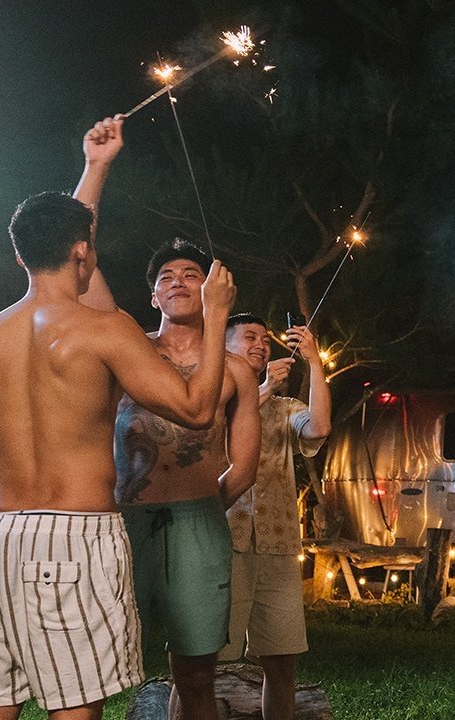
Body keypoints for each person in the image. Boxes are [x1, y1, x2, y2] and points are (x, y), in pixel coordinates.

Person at [0, 115, 237, 720]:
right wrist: (216, 317)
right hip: (74, 535)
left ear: (20, 254)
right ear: (83, 252)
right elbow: (196, 408)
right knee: (75, 710)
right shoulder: (103, 330)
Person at [114, 240, 262, 720]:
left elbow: (244, 466)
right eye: (166, 277)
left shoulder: (236, 371)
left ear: (214, 290)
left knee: (197, 675)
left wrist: (199, 507)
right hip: (122, 520)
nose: (177, 280)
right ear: (153, 296)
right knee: (101, 663)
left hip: (200, 521)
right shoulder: (125, 354)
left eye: (191, 274)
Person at [217, 313, 332, 720]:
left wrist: (315, 362)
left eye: (266, 340)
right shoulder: (209, 399)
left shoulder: (284, 408)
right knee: (198, 665)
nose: (261, 345)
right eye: (249, 337)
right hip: (220, 543)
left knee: (282, 662)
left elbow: (319, 428)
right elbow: (216, 428)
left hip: (278, 544)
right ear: (223, 347)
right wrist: (262, 389)